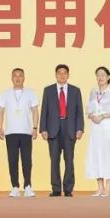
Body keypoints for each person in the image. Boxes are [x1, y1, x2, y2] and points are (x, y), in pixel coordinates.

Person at [39, 64, 84, 197]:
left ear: (68, 75)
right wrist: (43, 128)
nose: (62, 75)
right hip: (53, 129)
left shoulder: (75, 90)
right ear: (56, 75)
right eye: (59, 73)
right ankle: (56, 189)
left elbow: (79, 111)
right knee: (54, 160)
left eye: (64, 73)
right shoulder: (48, 90)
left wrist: (80, 128)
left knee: (69, 160)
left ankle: (68, 189)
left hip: (70, 129)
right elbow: (44, 110)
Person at [0, 68, 39, 198]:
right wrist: (0, 128)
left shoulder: (30, 93)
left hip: (26, 132)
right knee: (12, 160)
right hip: (11, 132)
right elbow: (0, 112)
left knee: (27, 160)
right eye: (15, 76)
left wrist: (35, 127)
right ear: (11, 78)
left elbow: (35, 111)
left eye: (20, 75)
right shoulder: (5, 94)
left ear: (24, 78)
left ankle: (27, 186)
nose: (18, 78)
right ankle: (15, 187)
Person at [84, 66, 110, 198]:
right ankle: (100, 187)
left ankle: (108, 187)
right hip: (95, 127)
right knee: (96, 155)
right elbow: (88, 108)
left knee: (109, 155)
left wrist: (102, 116)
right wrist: (91, 115)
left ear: (108, 77)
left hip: (107, 125)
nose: (100, 78)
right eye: (98, 75)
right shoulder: (93, 92)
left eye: (103, 75)